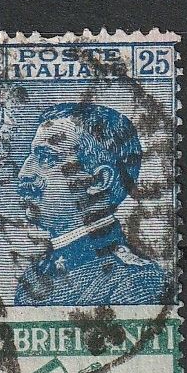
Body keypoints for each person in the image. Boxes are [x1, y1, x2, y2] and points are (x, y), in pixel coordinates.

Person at [13, 102, 169, 307]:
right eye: (31, 156)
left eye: (47, 158)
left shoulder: (136, 281)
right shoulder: (33, 278)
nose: (23, 173)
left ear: (99, 181)